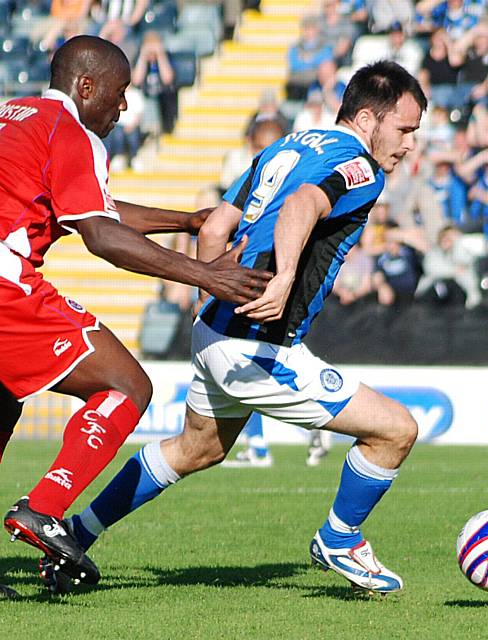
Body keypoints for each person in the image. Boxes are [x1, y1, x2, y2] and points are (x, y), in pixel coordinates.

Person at [63, 60, 427, 596]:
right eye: (405, 129)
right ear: (369, 119)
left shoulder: (284, 147)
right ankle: (341, 539)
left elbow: (213, 228)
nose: (409, 144)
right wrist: (281, 279)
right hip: (260, 343)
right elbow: (301, 206)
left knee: (197, 449)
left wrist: (205, 295)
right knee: (396, 430)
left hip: (213, 330)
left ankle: (77, 531)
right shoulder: (358, 167)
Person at [0, 35, 271, 594]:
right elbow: (101, 235)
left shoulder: (14, 114)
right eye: (120, 94)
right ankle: (45, 508)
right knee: (126, 385)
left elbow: (93, 206)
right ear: (87, 85)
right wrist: (208, 275)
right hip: (7, 290)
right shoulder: (69, 130)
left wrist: (187, 221)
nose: (122, 108)